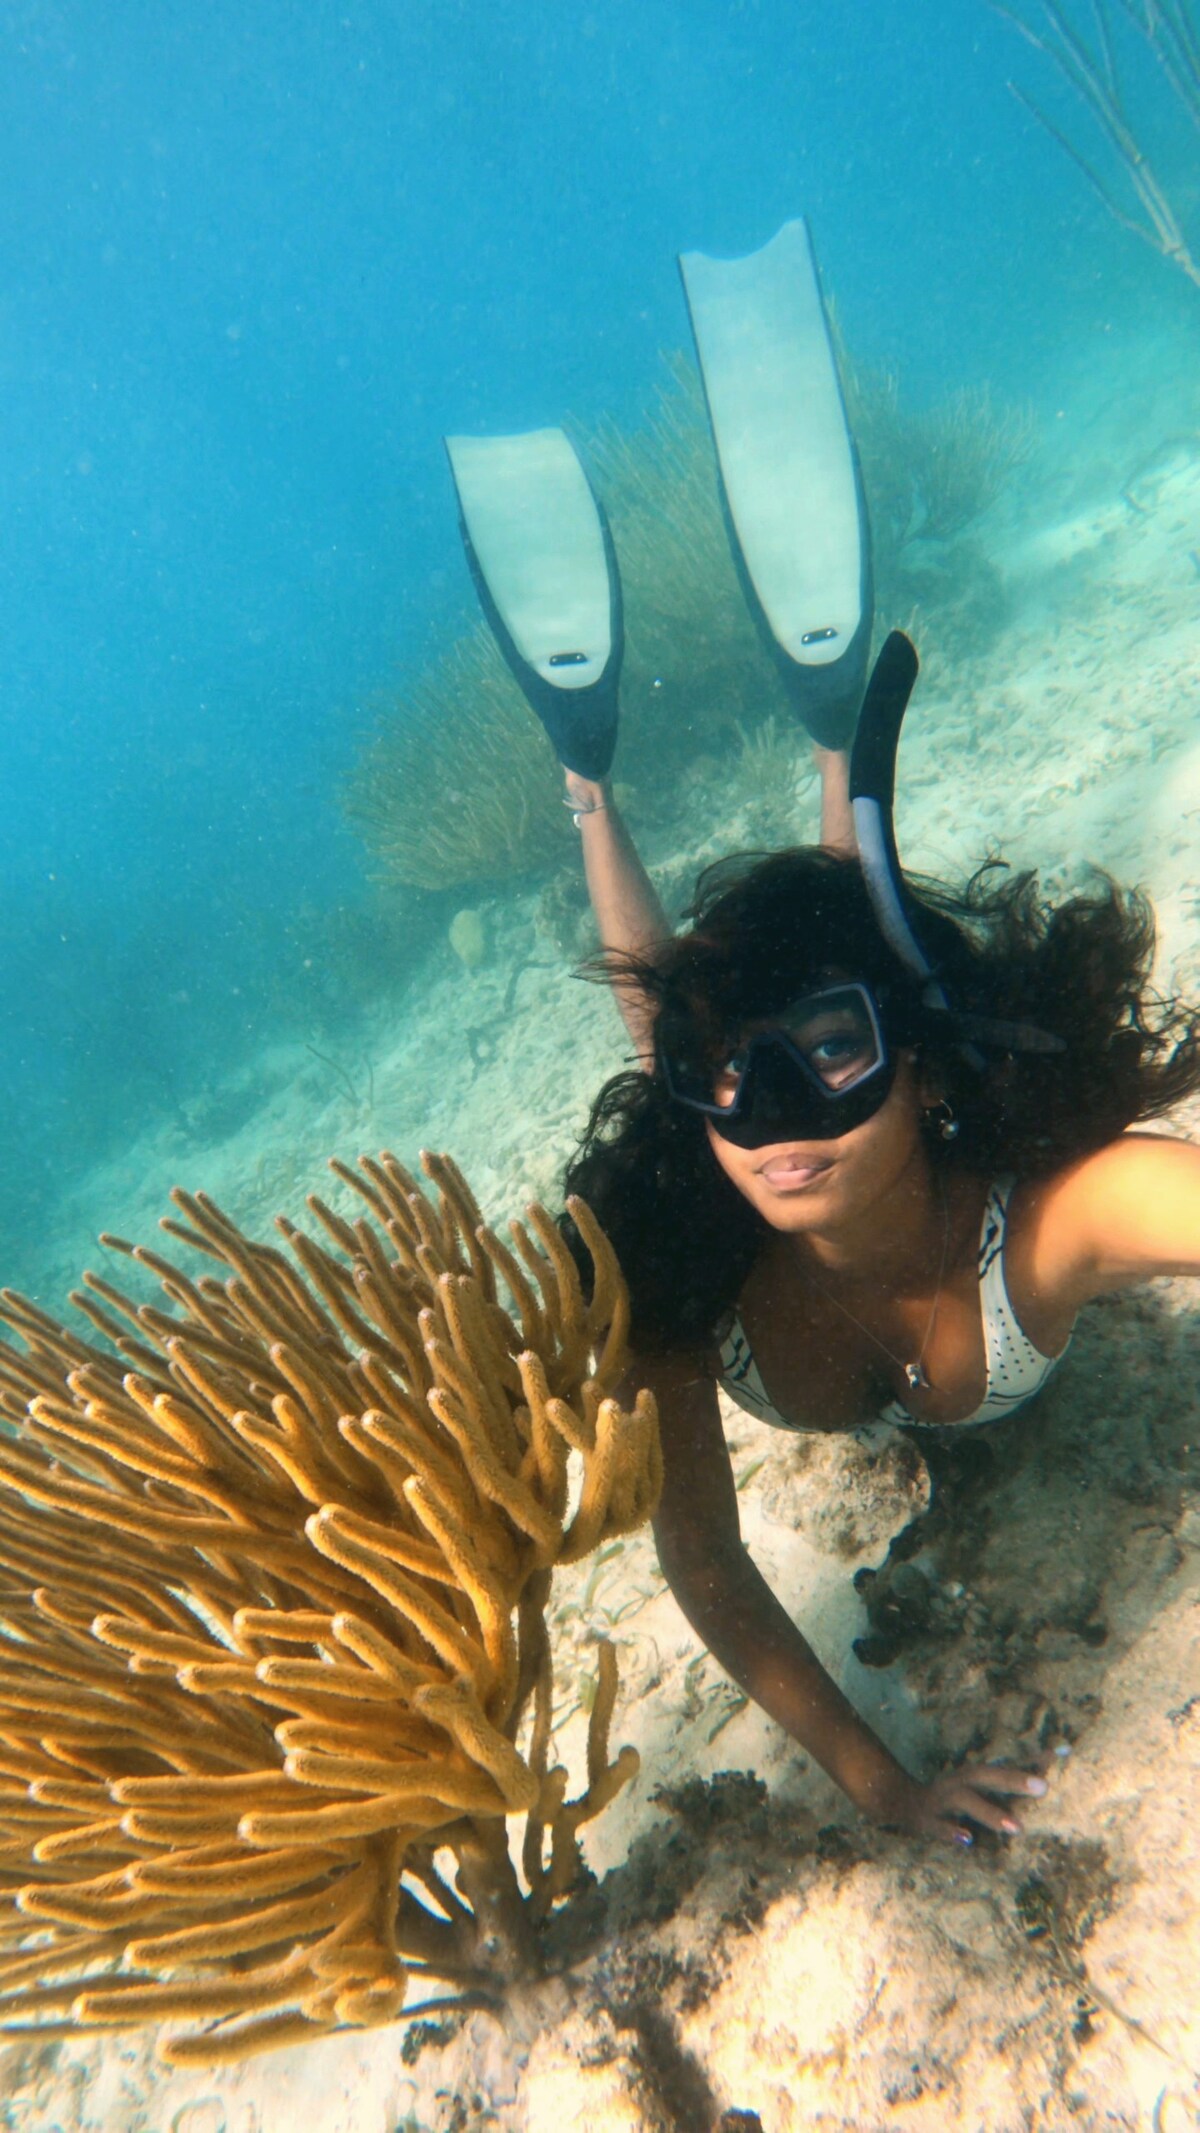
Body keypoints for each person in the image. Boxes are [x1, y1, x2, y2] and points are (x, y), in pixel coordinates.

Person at [442, 219, 1200, 1845]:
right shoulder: (685, 1252)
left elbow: (1163, 1197)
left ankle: (836, 787)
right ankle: (591, 779)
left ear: (918, 1069)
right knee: (667, 1002)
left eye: (833, 1053)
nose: (770, 1112)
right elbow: (701, 1566)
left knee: (828, 935)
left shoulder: (1038, 1230)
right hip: (700, 1158)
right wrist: (887, 1784)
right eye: (739, 1086)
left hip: (903, 1055)